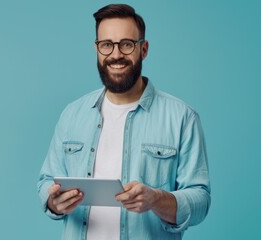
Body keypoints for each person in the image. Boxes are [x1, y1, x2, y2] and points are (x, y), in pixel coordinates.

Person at [37, 3, 211, 240]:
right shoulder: (72, 114)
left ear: (144, 49)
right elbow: (46, 180)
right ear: (97, 49)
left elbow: (200, 201)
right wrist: (53, 202)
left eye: (126, 44)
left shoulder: (182, 117)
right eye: (107, 45)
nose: (116, 54)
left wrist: (156, 199)